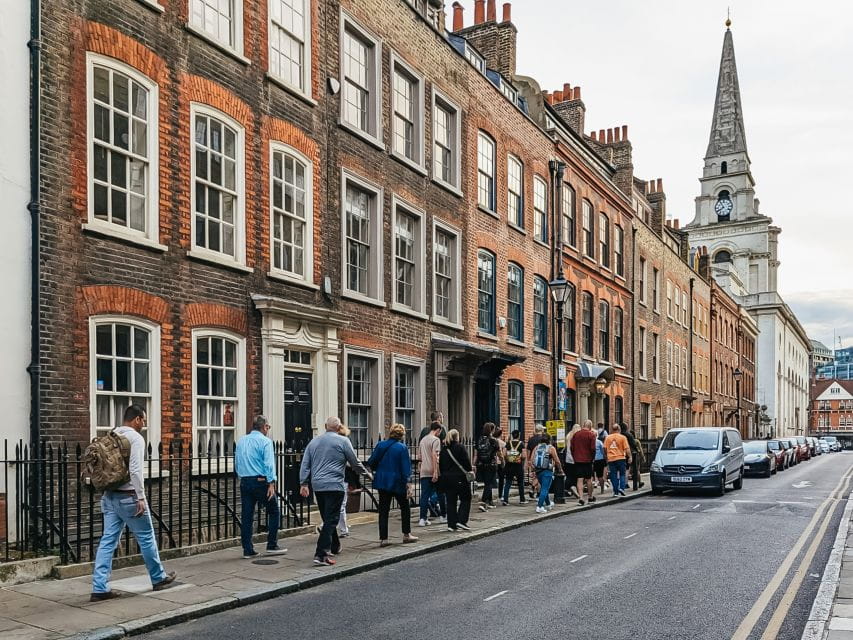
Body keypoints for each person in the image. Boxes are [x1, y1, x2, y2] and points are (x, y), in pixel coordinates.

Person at [91, 405, 175, 601]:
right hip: (129, 497)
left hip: (109, 496)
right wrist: (141, 498)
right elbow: (136, 470)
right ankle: (158, 577)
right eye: (143, 420)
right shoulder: (135, 438)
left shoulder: (112, 435)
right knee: (146, 536)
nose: (144, 424)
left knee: (107, 541)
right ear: (137, 419)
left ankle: (99, 587)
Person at [299, 417, 371, 566]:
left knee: (327, 518)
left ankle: (335, 546)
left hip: (318, 485)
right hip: (334, 485)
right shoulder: (343, 441)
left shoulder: (313, 442)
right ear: (339, 428)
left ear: (325, 426)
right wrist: (367, 474)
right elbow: (355, 462)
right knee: (331, 519)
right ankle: (321, 554)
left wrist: (304, 483)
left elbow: (305, 464)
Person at [235, 415, 287, 559]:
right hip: (261, 481)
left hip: (245, 481)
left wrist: (241, 476)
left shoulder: (241, 441)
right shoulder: (265, 441)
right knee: (274, 511)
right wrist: (271, 482)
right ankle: (272, 545)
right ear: (264, 427)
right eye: (268, 427)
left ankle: (248, 550)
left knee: (247, 516)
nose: (268, 430)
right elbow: (269, 464)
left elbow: (237, 462)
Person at [367, 424, 418, 546]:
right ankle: (406, 534)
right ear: (402, 435)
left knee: (383, 510)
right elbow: (406, 467)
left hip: (383, 481)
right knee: (405, 507)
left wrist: (379, 469)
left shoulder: (380, 445)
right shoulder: (402, 448)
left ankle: (383, 539)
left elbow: (371, 462)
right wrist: (409, 483)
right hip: (398, 481)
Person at [439, 428, 474, 531]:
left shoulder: (444, 449)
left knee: (450, 501)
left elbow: (441, 465)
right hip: (459, 478)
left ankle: (451, 524)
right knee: (466, 498)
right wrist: (470, 470)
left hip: (447, 478)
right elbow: (466, 462)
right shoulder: (460, 447)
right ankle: (461, 520)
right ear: (457, 437)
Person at [418, 421, 446, 526]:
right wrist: (435, 471)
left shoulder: (422, 440)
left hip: (424, 470)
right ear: (438, 430)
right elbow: (435, 456)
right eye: (440, 432)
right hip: (434, 470)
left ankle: (422, 519)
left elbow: (419, 457)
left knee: (424, 496)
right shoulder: (436, 440)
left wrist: (420, 467)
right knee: (441, 493)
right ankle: (443, 516)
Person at [529, 434, 563, 513]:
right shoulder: (551, 448)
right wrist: (560, 469)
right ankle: (539, 506)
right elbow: (557, 461)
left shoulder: (536, 447)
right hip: (547, 471)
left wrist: (533, 470)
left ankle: (548, 504)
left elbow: (531, 460)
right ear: (550, 440)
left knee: (544, 487)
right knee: (544, 489)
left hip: (538, 471)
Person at [473, 422, 500, 511]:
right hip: (491, 464)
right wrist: (503, 461)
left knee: (487, 483)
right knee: (489, 483)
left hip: (481, 464)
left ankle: (490, 501)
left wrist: (473, 464)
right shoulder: (494, 440)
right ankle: (483, 502)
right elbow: (499, 453)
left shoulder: (480, 439)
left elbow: (476, 454)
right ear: (492, 430)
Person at [570, 420, 597, 505]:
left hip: (578, 460)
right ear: (590, 426)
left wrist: (574, 457)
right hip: (588, 460)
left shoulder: (576, 435)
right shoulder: (591, 435)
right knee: (589, 479)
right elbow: (593, 448)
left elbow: (571, 447)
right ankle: (590, 497)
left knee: (579, 479)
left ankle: (581, 498)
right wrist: (592, 458)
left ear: (583, 425)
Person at [604, 423, 631, 497]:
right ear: (619, 429)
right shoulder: (623, 437)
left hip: (611, 458)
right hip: (621, 458)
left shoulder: (608, 438)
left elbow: (605, 448)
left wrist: (606, 456)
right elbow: (627, 448)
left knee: (613, 475)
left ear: (612, 430)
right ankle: (622, 488)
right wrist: (630, 457)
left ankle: (615, 491)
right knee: (622, 474)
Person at [501, 430, 527, 505]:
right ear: (518, 435)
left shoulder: (508, 443)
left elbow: (504, 454)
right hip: (518, 466)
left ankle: (505, 500)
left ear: (512, 435)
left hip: (509, 466)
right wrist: (520, 458)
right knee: (520, 483)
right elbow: (524, 456)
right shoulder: (521, 444)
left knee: (508, 483)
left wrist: (508, 459)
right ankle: (522, 499)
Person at [526, 424, 548, 500]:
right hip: (542, 460)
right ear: (541, 430)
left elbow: (528, 451)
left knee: (536, 476)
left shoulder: (531, 439)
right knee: (539, 477)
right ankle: (535, 491)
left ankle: (537, 492)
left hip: (533, 460)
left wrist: (529, 460)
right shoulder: (544, 439)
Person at [623, 424, 646, 491]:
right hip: (634, 455)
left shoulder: (623, 437)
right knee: (636, 469)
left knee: (627, 469)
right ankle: (639, 482)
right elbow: (640, 449)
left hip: (625, 454)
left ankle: (626, 483)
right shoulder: (636, 441)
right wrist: (642, 457)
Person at [563, 424, 581, 498]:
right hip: (576, 458)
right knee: (577, 475)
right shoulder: (578, 436)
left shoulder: (568, 435)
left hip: (568, 459)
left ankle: (568, 488)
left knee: (569, 475)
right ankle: (573, 487)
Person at [493, 427, 507, 503]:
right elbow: (503, 454)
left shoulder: (491, 441)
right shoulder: (503, 443)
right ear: (500, 434)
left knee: (491, 479)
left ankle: (489, 497)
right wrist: (503, 461)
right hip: (500, 462)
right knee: (501, 479)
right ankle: (500, 495)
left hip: (493, 462)